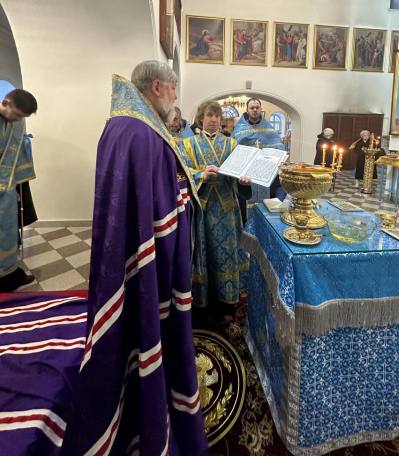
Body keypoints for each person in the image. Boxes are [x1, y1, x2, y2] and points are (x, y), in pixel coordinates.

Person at [62, 61, 208, 455]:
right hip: (144, 260)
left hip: (122, 249)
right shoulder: (141, 133)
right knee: (140, 329)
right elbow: (159, 206)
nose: (177, 98)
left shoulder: (127, 126)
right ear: (159, 87)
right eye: (174, 89)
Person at [180, 100, 251, 308]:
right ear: (201, 118)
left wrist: (243, 179)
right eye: (209, 115)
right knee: (203, 250)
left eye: (217, 116)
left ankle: (227, 295)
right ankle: (203, 296)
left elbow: (240, 172)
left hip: (227, 208)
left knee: (227, 252)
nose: (213, 120)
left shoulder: (232, 144)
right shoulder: (188, 144)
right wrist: (201, 174)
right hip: (202, 207)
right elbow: (182, 173)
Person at [0, 89, 37, 291]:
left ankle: (7, 273)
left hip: (6, 190)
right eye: (16, 115)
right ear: (5, 103)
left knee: (6, 231)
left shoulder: (16, 123)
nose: (17, 120)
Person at [232, 98, 285, 204]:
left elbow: (279, 148)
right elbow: (234, 152)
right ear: (247, 110)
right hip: (246, 176)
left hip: (266, 173)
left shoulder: (270, 129)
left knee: (268, 205)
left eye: (257, 107)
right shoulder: (239, 130)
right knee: (246, 205)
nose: (255, 110)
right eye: (252, 108)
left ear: (261, 109)